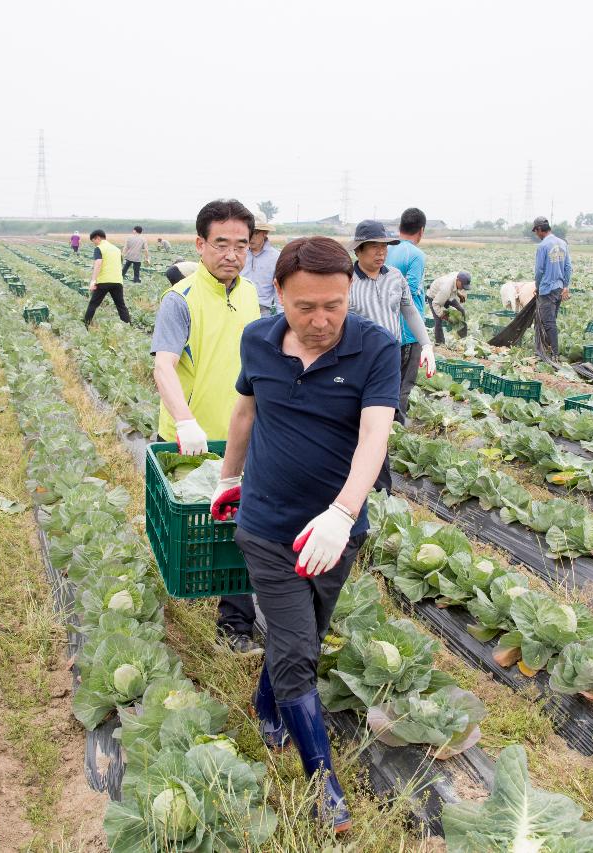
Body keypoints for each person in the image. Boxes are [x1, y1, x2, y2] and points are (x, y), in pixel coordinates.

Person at [209, 236, 399, 834]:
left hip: (335, 529)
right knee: (296, 649)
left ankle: (268, 703)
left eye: (335, 306)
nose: (321, 321)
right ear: (279, 297)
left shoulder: (377, 349)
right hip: (265, 524)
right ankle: (325, 786)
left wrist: (343, 512)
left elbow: (375, 438)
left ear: (350, 295)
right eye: (305, 308)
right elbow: (244, 413)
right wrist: (227, 477)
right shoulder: (258, 340)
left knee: (308, 634)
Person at [150, 199, 260, 654]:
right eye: (221, 244)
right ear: (200, 245)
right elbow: (164, 367)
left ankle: (234, 627)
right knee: (192, 530)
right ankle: (176, 590)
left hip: (239, 436)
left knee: (238, 532)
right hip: (193, 439)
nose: (232, 253)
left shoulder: (251, 293)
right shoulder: (181, 300)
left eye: (241, 244)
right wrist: (185, 421)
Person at [346, 219, 434, 416]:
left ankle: (389, 440)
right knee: (360, 407)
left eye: (384, 246)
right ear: (358, 250)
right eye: (374, 247)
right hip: (359, 357)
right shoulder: (347, 280)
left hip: (392, 354)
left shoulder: (395, 276)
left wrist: (426, 345)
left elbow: (409, 310)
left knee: (389, 405)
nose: (381, 252)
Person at [385, 208, 428, 415]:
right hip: (408, 332)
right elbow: (408, 294)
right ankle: (397, 429)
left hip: (386, 326)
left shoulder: (386, 250)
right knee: (403, 385)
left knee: (388, 382)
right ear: (421, 231)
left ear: (400, 227)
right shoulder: (416, 255)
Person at [531, 216, 571, 360]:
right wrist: (565, 286)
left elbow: (539, 271)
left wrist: (537, 286)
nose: (537, 235)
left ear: (540, 229)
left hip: (547, 289)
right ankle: (547, 349)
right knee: (551, 319)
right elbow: (568, 267)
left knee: (548, 322)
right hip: (559, 289)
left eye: (536, 231)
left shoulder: (543, 246)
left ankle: (554, 354)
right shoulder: (562, 243)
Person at [83, 229, 132, 326]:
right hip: (117, 281)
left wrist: (93, 280)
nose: (95, 244)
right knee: (121, 305)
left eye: (94, 241)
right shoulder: (117, 249)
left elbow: (98, 263)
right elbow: (120, 264)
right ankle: (128, 326)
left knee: (93, 304)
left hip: (104, 281)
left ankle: (86, 325)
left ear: (98, 238)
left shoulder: (99, 248)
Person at [242, 214, 280, 317]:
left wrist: (281, 318)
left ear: (265, 233)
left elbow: (278, 289)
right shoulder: (240, 254)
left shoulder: (275, 257)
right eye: (249, 232)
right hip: (238, 310)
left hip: (263, 313)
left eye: (256, 233)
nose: (251, 237)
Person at [427, 270, 472, 344]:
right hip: (434, 297)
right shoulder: (446, 289)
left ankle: (462, 337)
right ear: (458, 280)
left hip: (448, 295)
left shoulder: (457, 276)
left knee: (461, 310)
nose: (463, 288)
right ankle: (440, 343)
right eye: (462, 286)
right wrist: (442, 315)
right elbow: (435, 304)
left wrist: (459, 294)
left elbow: (454, 287)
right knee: (438, 321)